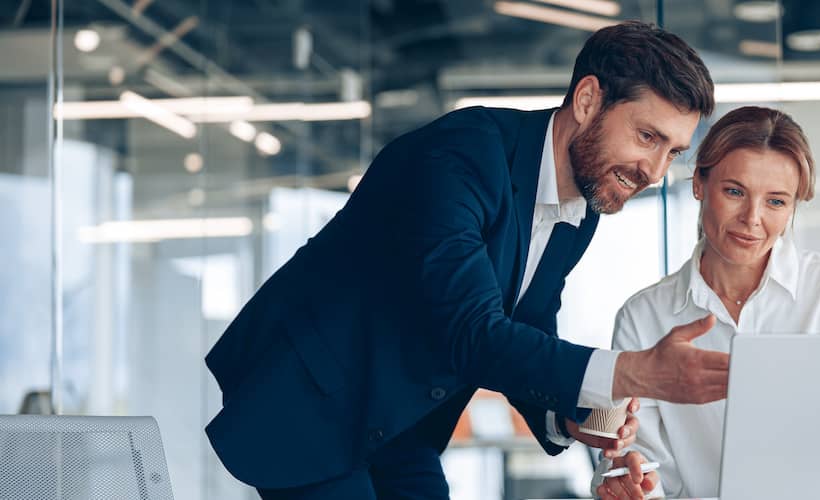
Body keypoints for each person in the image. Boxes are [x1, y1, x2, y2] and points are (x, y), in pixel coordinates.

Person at [204, 21, 730, 500]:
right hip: (311, 401)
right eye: (647, 137)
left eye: (674, 152)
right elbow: (471, 331)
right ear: (588, 100)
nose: (655, 171)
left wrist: (570, 419)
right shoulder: (461, 156)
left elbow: (526, 324)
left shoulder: (582, 202)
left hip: (398, 422)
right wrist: (633, 372)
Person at [592, 106, 820, 499]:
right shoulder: (644, 317)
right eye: (734, 192)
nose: (752, 219)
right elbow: (641, 463)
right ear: (699, 183)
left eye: (776, 202)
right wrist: (632, 482)